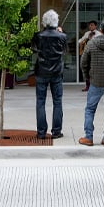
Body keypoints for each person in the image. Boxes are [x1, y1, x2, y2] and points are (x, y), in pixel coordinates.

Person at [31, 10, 68, 139]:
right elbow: (65, 51)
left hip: (41, 70)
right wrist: (60, 33)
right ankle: (56, 131)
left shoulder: (38, 35)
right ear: (56, 21)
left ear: (44, 22)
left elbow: (34, 49)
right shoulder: (62, 36)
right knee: (57, 101)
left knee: (40, 101)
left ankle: (41, 132)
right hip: (56, 71)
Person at [77, 20, 100, 91]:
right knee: (87, 70)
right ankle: (87, 86)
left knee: (94, 70)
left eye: (92, 25)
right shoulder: (87, 33)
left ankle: (94, 86)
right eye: (89, 25)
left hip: (95, 54)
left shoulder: (99, 34)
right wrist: (86, 38)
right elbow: (79, 41)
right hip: (87, 54)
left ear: (95, 26)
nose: (90, 26)